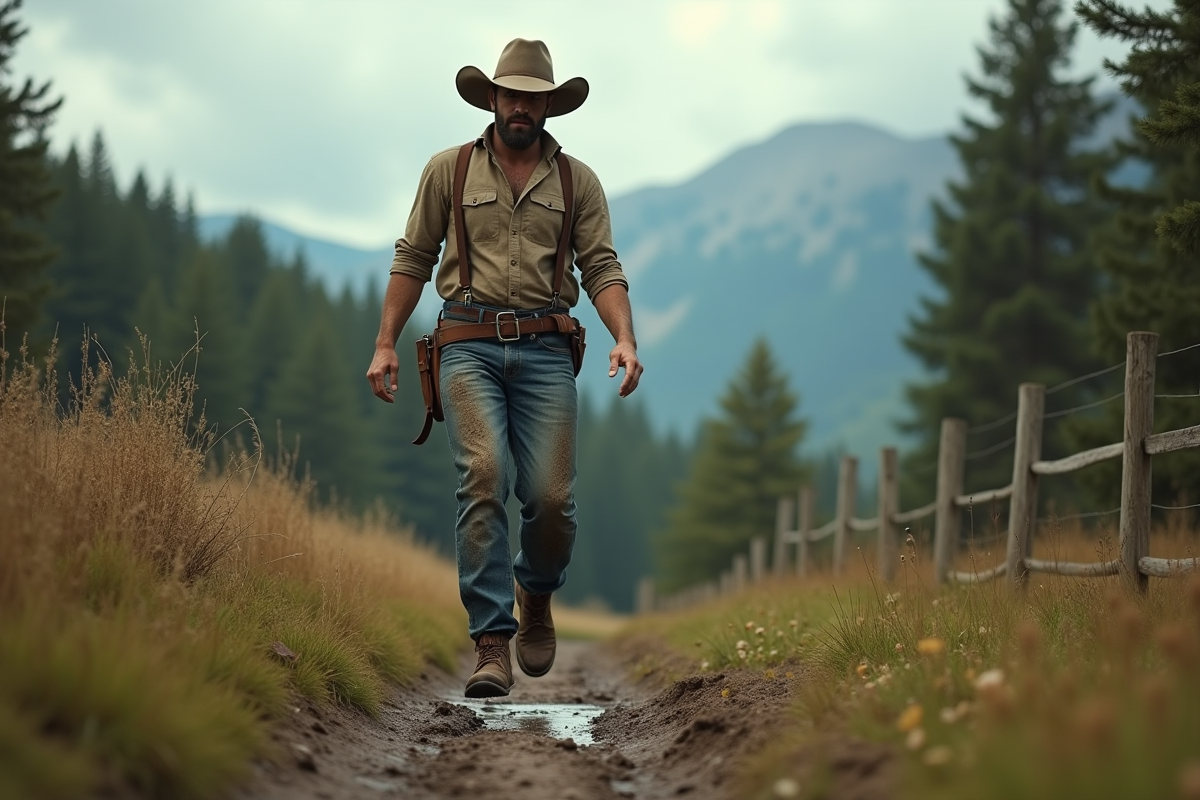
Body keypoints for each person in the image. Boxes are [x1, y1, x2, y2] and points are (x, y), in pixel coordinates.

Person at [366, 38, 642, 698]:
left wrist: (625, 338)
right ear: (491, 98)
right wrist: (384, 343)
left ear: (549, 106)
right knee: (483, 476)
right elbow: (413, 256)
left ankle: (536, 592)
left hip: (548, 350)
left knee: (551, 499)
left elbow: (601, 266)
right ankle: (491, 643)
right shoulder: (448, 170)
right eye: (511, 94)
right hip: (467, 344)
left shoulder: (578, 182)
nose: (521, 105)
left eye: (533, 97)